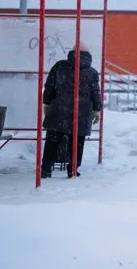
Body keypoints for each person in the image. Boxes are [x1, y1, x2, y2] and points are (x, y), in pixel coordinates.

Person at [41, 43, 101, 179]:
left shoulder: (59, 66)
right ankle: (72, 169)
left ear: (72, 52)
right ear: (88, 55)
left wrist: (46, 103)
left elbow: (49, 85)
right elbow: (95, 93)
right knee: (77, 142)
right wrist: (97, 110)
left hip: (59, 110)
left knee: (52, 141)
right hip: (81, 113)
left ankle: (46, 168)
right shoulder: (91, 72)